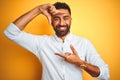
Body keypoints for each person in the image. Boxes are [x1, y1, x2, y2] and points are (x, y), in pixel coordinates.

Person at [4, 2, 109, 80]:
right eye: (56, 18)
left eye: (65, 17)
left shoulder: (84, 43)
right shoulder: (41, 43)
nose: (62, 23)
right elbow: (10, 32)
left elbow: (105, 74)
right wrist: (39, 9)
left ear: (71, 20)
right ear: (50, 20)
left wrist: (80, 62)